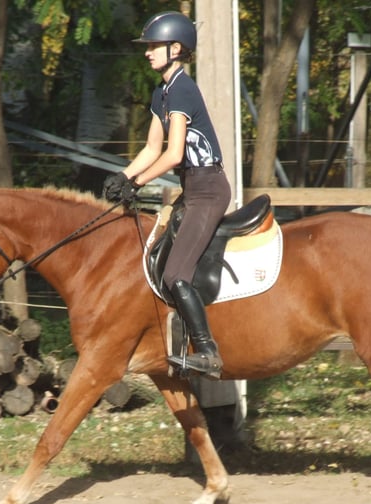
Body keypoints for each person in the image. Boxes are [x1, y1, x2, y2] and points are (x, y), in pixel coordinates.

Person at [103, 10, 231, 379]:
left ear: (176, 49)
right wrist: (123, 175)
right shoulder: (163, 92)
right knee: (158, 262)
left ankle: (208, 351)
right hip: (192, 191)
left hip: (208, 191)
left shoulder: (184, 89)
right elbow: (151, 148)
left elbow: (174, 155)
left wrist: (138, 184)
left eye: (154, 46)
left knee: (176, 272)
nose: (147, 52)